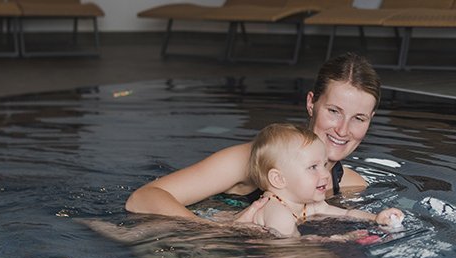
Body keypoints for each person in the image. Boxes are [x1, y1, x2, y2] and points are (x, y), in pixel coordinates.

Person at [125, 52, 382, 224]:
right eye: (334, 111)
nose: (343, 130)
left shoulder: (350, 184)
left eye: (359, 118)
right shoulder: (250, 160)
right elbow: (144, 198)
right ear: (311, 104)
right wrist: (216, 232)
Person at [248, 123, 403, 237]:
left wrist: (375, 218)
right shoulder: (276, 212)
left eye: (324, 165)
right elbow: (290, 250)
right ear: (279, 179)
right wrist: (338, 239)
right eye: (313, 167)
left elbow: (347, 213)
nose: (326, 174)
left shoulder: (307, 203)